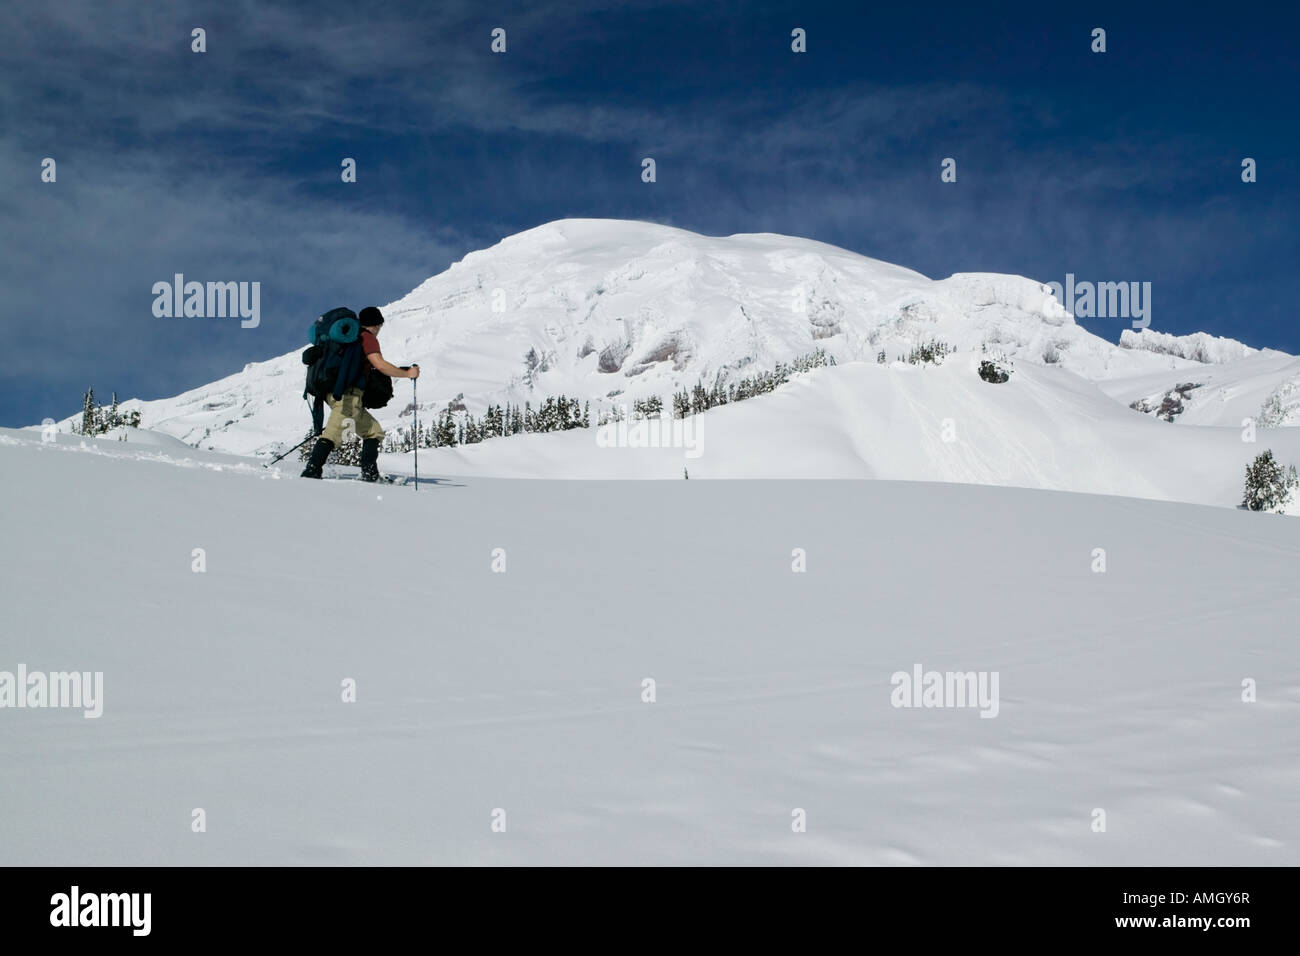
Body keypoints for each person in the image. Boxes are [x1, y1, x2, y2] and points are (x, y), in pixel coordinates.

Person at [301, 306, 419, 481]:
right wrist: (408, 374)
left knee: (373, 431)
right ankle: (312, 471)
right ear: (376, 325)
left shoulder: (349, 340)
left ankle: (370, 473)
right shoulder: (366, 338)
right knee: (333, 433)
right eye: (379, 326)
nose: (379, 330)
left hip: (335, 393)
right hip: (348, 395)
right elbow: (380, 365)